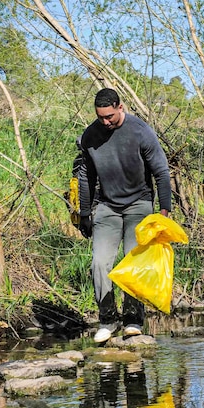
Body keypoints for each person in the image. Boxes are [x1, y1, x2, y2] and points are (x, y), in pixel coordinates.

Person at [76, 88, 173, 343]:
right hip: (107, 207)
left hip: (139, 205)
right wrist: (84, 212)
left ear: (120, 107)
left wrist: (163, 215)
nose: (106, 122)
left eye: (109, 116)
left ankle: (133, 320)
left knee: (134, 264)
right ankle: (108, 320)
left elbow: (162, 173)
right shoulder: (91, 136)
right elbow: (85, 176)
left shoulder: (140, 131)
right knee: (99, 262)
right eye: (101, 117)